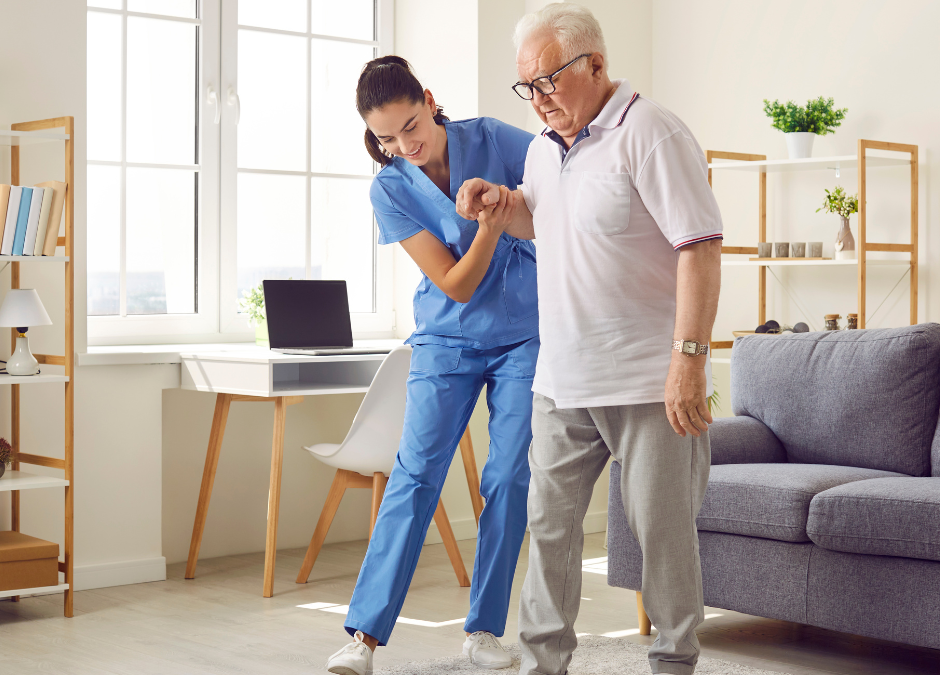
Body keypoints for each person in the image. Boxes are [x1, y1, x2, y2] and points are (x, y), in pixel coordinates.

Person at [456, 4, 723, 674]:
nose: (539, 100)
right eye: (528, 87)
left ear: (595, 65)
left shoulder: (652, 133)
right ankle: (544, 663)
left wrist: (688, 360)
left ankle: (673, 660)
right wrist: (501, 203)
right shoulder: (544, 149)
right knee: (547, 529)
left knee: (661, 536)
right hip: (562, 379)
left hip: (649, 381)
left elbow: (702, 247)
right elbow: (542, 217)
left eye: (548, 82)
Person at [325, 55, 539, 675]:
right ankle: (362, 639)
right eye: (387, 138)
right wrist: (493, 231)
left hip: (526, 335)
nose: (405, 146)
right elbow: (455, 283)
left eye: (411, 126)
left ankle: (484, 631)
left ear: (429, 98)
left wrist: (509, 206)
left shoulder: (495, 138)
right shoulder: (390, 187)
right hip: (446, 339)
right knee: (415, 477)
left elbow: (563, 174)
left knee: (506, 478)